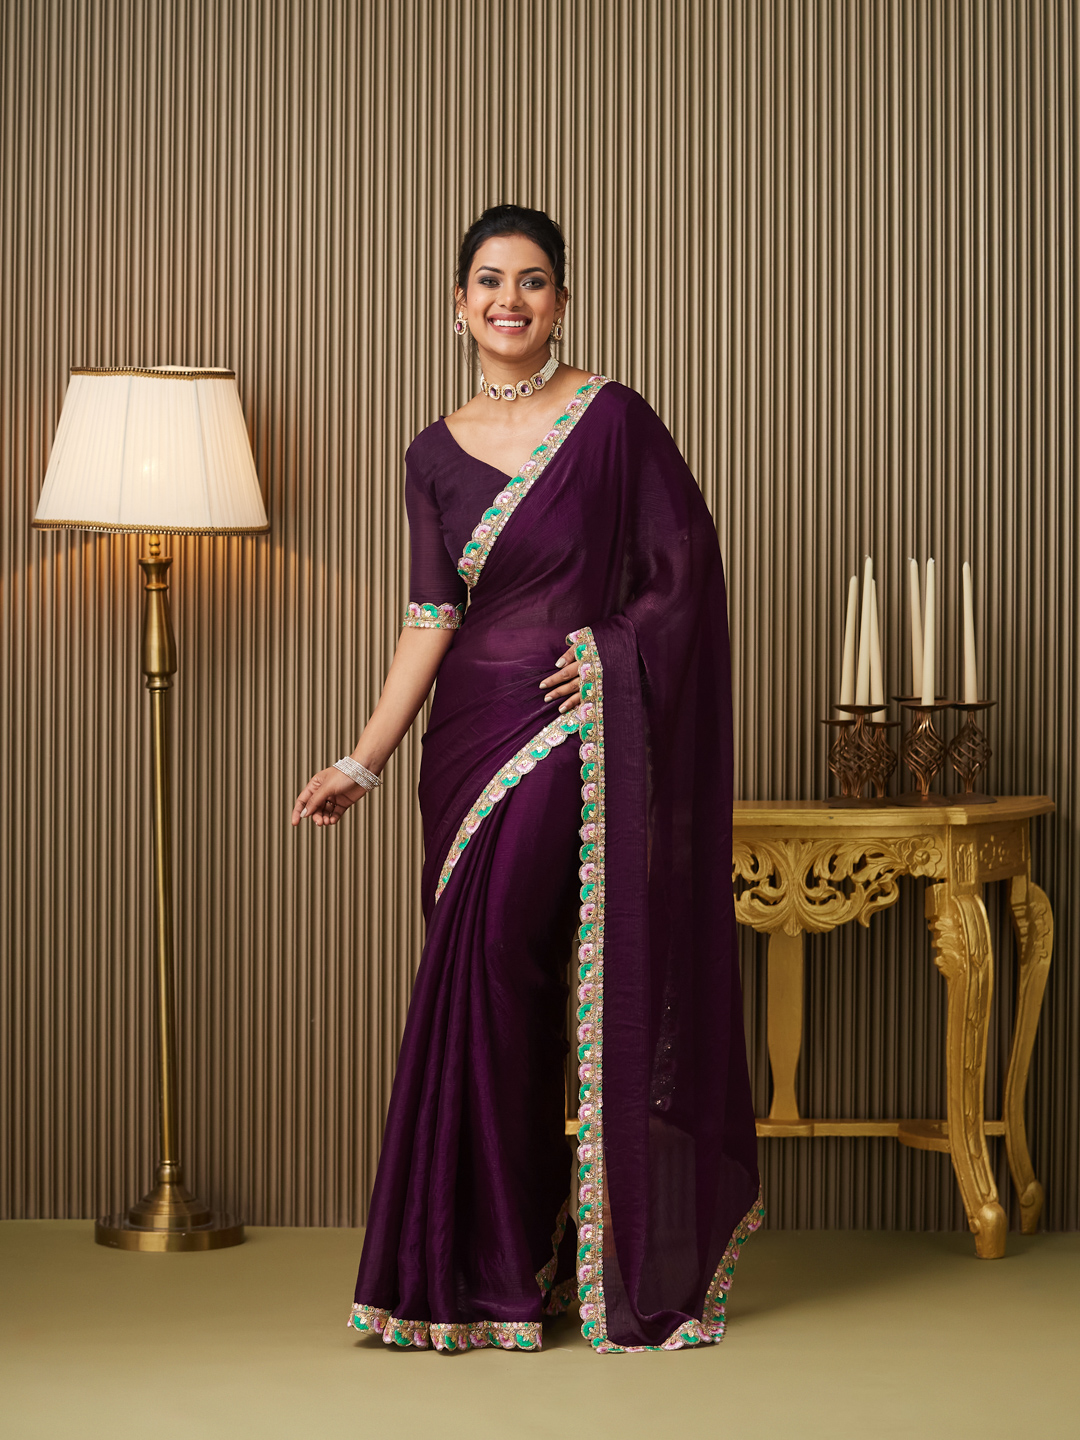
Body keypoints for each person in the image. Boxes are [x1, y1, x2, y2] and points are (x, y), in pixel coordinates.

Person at [291, 204, 761, 1354]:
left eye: (533, 280)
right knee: (488, 988)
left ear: (561, 301)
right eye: (490, 281)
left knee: (512, 961)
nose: (511, 299)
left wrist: (607, 655)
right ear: (459, 305)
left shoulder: (613, 421)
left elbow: (685, 572)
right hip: (464, 742)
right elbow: (429, 619)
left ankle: (514, 1264)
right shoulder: (431, 453)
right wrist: (362, 757)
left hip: (570, 727)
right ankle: (492, 1265)